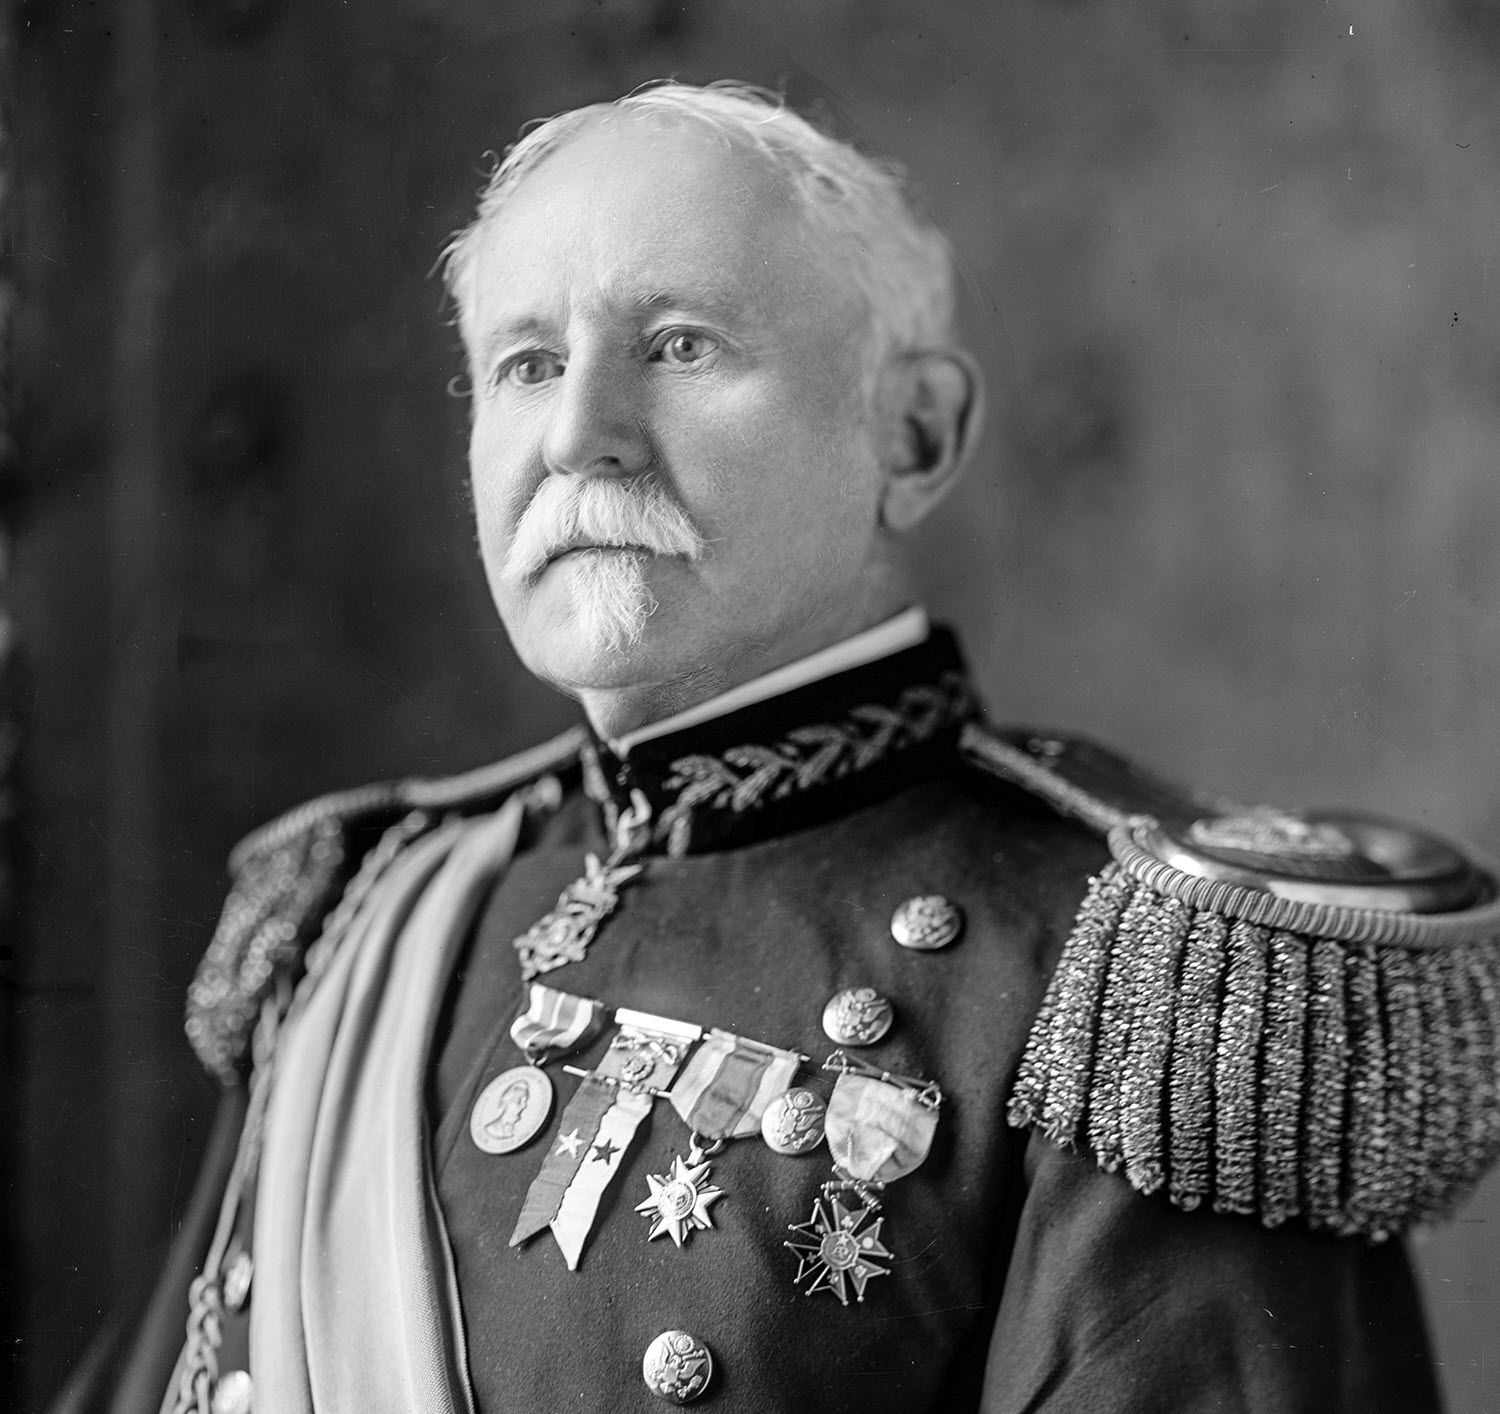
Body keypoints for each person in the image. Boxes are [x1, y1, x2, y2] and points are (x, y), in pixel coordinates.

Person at [58, 80, 1500, 1414]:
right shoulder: (363, 909)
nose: (581, 435)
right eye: (526, 362)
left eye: (680, 345)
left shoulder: (1152, 987)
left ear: (914, 433)